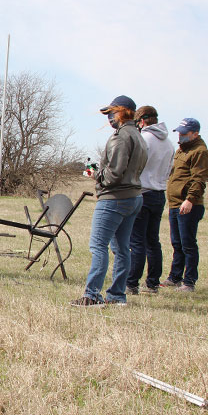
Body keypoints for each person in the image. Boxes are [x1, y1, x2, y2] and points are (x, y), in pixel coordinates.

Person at [72, 95, 147, 307]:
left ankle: (92, 296)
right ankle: (116, 296)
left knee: (98, 246)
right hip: (134, 197)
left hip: (114, 199)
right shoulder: (139, 136)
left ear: (122, 112)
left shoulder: (121, 137)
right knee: (122, 249)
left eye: (111, 113)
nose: (109, 119)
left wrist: (95, 174)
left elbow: (113, 174)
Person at [126, 106, 174, 295]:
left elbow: (134, 165)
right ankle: (153, 283)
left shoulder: (144, 139)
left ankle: (132, 283)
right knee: (152, 240)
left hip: (142, 192)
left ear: (142, 121)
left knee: (137, 241)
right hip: (159, 194)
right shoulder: (169, 143)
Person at [162, 118, 208, 292]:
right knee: (177, 243)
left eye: (184, 133)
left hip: (189, 204)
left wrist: (190, 199)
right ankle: (175, 277)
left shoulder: (200, 152)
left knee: (188, 243)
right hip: (175, 203)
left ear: (195, 133)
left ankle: (189, 281)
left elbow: (199, 179)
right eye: (180, 132)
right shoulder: (181, 151)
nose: (180, 136)